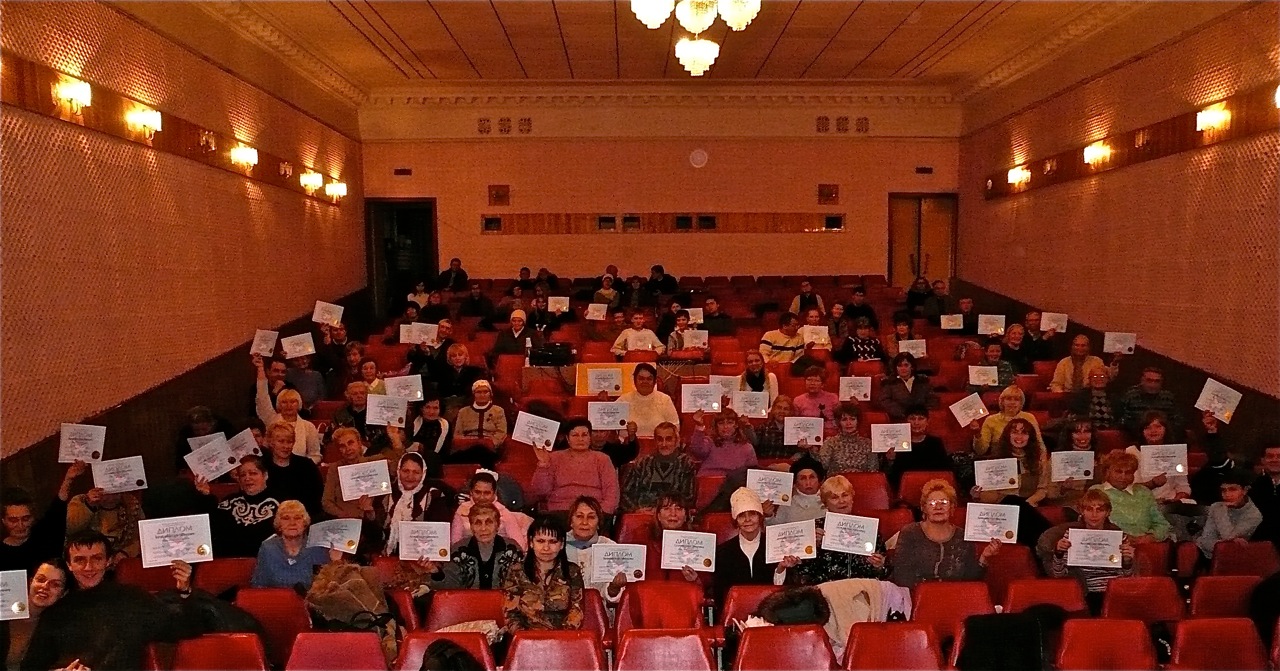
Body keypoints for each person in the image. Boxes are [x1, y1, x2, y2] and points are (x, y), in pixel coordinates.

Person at [22, 531, 204, 671]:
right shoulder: (57, 612)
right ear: (69, 565)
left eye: (96, 558)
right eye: (79, 560)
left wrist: (185, 590)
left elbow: (185, 628)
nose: (88, 567)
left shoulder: (134, 598)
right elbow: (31, 667)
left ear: (108, 561)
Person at [1036, 489, 1136, 614]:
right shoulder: (1071, 536)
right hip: (1085, 590)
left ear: (1107, 512)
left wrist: (1128, 562)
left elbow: (1129, 578)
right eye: (1089, 509)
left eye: (1099, 510)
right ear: (1082, 511)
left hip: (1114, 590)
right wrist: (1058, 553)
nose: (1094, 515)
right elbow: (1059, 574)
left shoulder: (1119, 537)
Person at [890, 479, 1001, 589]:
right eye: (932, 503)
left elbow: (969, 580)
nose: (938, 507)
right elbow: (902, 577)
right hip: (917, 599)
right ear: (924, 508)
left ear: (952, 507)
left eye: (944, 502)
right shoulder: (910, 532)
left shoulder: (962, 536)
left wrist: (984, 557)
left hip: (955, 597)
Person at [395, 503, 524, 596]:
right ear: (471, 527)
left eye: (489, 522)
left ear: (497, 525)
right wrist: (435, 571)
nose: (483, 528)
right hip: (466, 609)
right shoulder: (459, 550)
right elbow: (450, 588)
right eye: (477, 523)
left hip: (504, 609)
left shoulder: (512, 549)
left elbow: (521, 586)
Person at [791, 475, 889, 585]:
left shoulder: (868, 527)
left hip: (862, 588)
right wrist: (813, 547)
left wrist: (879, 566)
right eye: (834, 497)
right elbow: (801, 573)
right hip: (825, 590)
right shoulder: (815, 528)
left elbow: (884, 573)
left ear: (852, 498)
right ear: (825, 502)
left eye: (845, 495)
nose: (841, 501)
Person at [971, 419, 1053, 546]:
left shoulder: (1039, 461)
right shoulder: (995, 461)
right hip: (1003, 509)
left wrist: (1028, 503)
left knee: (1019, 506)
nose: (1019, 437)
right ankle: (1050, 537)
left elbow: (1043, 489)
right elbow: (989, 496)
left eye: (1024, 433)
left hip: (1027, 506)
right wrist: (978, 494)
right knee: (1013, 500)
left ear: (1030, 437)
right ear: (1007, 435)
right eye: (1014, 432)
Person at [500, 516, 584, 632]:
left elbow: (576, 610)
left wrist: (563, 637)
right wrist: (524, 637)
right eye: (540, 541)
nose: (546, 548)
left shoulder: (572, 571)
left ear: (562, 544)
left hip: (563, 639)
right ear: (531, 542)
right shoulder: (516, 571)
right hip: (525, 639)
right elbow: (510, 613)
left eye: (553, 542)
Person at [713, 488, 796, 602]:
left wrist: (781, 569)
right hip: (736, 611)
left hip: (771, 609)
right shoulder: (722, 552)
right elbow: (720, 593)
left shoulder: (777, 546)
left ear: (760, 517)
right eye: (742, 516)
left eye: (752, 514)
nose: (747, 520)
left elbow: (784, 591)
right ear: (736, 520)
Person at [1, 461, 84, 574]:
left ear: (33, 518)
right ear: (3, 521)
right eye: (13, 520)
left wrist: (68, 479)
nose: (20, 525)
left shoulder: (45, 537)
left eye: (25, 519)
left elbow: (57, 509)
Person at [194, 456, 281, 558]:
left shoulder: (280, 505)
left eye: (253, 473)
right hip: (228, 562)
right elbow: (212, 528)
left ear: (265, 475)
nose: (247, 478)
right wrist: (206, 496)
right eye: (242, 475)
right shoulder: (229, 502)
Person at [532, 419, 620, 515]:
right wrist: (543, 464)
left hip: (593, 513)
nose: (580, 439)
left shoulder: (603, 459)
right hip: (560, 512)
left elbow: (612, 492)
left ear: (590, 438)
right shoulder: (554, 458)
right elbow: (541, 492)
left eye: (584, 435)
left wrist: (601, 513)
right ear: (567, 438)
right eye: (575, 435)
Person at [376, 453, 455, 557]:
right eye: (405, 471)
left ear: (423, 474)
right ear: (398, 471)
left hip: (422, 556)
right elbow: (375, 534)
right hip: (385, 553)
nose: (410, 476)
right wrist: (371, 516)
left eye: (416, 472)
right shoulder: (386, 494)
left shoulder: (435, 496)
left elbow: (438, 533)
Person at [320, 426, 407, 520]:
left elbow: (398, 467)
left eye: (350, 443)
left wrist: (396, 441)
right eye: (342, 446)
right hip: (344, 520)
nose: (348, 448)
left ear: (359, 443)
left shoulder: (374, 462)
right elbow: (326, 502)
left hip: (373, 520)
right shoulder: (334, 469)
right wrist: (343, 515)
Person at [250, 501, 337, 590]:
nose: (292, 523)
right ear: (279, 524)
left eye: (297, 518)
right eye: (286, 518)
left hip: (309, 601)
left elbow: (326, 585)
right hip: (275, 601)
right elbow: (258, 584)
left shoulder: (317, 547)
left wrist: (335, 561)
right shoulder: (268, 548)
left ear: (305, 523)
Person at [1090, 451, 1170, 543]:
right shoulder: (1097, 491)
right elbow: (1092, 523)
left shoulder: (1143, 492)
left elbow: (1162, 524)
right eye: (1118, 471)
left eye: (1128, 472)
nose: (1123, 476)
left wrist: (1149, 538)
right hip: (1110, 542)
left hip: (1144, 543)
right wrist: (1123, 538)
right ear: (1108, 472)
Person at [2, 560, 67, 671]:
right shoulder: (3, 608)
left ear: (63, 593)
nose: (45, 586)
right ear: (30, 582)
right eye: (40, 580)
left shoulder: (57, 627)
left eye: (55, 584)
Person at [254, 356, 321, 463]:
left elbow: (315, 455)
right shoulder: (271, 420)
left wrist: (303, 466)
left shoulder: (308, 427)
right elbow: (262, 397)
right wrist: (260, 369)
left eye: (293, 401)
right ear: (279, 405)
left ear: (298, 404)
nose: (288, 405)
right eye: (284, 402)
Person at [620, 422, 697, 513]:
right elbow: (626, 494)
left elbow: (688, 497)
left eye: (668, 439)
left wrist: (666, 511)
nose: (664, 444)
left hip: (672, 515)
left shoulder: (686, 464)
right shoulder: (642, 463)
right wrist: (637, 510)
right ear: (655, 441)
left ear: (676, 441)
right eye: (660, 439)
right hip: (643, 514)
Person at [562, 497, 626, 603]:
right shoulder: (558, 545)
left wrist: (614, 588)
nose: (585, 522)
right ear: (571, 522)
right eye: (579, 516)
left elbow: (613, 596)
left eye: (591, 517)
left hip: (598, 611)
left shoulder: (609, 547)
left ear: (598, 523)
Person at [452, 471, 532, 550]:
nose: (482, 497)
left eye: (486, 493)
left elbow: (519, 545)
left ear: (494, 493)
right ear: (471, 492)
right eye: (477, 492)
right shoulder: (462, 510)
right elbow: (455, 543)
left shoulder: (504, 513)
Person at [1195, 469, 1262, 559]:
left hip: (1236, 558)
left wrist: (1223, 510)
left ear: (1245, 490)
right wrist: (1221, 544)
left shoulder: (1254, 515)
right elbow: (1206, 540)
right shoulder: (1216, 507)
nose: (1227, 494)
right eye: (1223, 490)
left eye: (1232, 489)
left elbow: (1228, 536)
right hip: (1208, 553)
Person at [884, 405, 953, 490]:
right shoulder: (897, 443)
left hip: (932, 489)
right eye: (912, 419)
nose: (916, 423)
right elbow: (891, 477)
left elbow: (945, 472)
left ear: (927, 421)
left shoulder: (936, 443)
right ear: (906, 421)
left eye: (920, 419)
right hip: (905, 490)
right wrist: (890, 460)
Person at [973, 386, 1045, 457]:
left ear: (1021, 403)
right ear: (1002, 401)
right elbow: (981, 451)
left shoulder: (1029, 417)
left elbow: (1040, 445)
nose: (1012, 402)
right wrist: (977, 433)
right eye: (1008, 399)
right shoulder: (991, 420)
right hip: (1001, 461)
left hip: (1027, 460)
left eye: (1016, 399)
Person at [451, 380, 507, 469]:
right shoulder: (463, 412)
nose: (482, 395)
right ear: (474, 394)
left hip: (489, 449)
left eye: (485, 392)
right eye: (479, 392)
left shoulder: (498, 411)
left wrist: (491, 443)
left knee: (482, 451)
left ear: (490, 394)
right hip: (467, 448)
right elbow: (458, 434)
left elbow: (501, 433)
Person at [811, 402, 877, 475]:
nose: (848, 423)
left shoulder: (868, 443)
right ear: (838, 422)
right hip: (836, 484)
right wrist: (812, 450)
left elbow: (873, 471)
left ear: (858, 421)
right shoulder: (830, 442)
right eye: (844, 419)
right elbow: (823, 466)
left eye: (852, 419)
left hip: (862, 484)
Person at [1116, 367, 1182, 439]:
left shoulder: (1168, 398)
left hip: (1164, 438)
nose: (1152, 385)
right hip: (1134, 437)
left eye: (1157, 381)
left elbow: (1176, 421)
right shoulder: (1130, 396)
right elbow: (1121, 420)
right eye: (1149, 380)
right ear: (1142, 380)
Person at [615, 364, 679, 438]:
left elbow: (675, 426)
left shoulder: (665, 399)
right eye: (641, 378)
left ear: (655, 382)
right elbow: (614, 428)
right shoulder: (623, 400)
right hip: (628, 446)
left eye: (649, 379)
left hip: (659, 446)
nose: (645, 382)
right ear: (634, 381)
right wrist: (629, 434)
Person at [689, 409, 758, 477]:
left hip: (734, 484)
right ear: (716, 426)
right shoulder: (709, 442)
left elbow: (752, 473)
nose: (725, 427)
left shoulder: (746, 447)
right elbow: (696, 451)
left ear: (736, 425)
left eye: (730, 423)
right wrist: (699, 426)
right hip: (708, 482)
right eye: (721, 423)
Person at [1051, 418, 1100, 512]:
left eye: (1086, 431)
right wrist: (1063, 489)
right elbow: (1049, 493)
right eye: (1077, 432)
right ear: (1070, 435)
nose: (1082, 436)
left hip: (1097, 507)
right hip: (1069, 507)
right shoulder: (1058, 459)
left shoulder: (1102, 458)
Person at [768, 456, 826, 526]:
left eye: (812, 477)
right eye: (803, 478)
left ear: (819, 480)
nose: (808, 482)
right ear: (796, 483)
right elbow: (775, 529)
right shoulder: (788, 504)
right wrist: (768, 516)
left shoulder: (829, 499)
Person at [878, 353, 936, 421]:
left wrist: (920, 414)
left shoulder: (923, 381)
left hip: (921, 418)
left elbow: (932, 399)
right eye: (899, 366)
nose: (903, 368)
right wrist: (904, 414)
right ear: (895, 367)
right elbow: (884, 401)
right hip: (898, 419)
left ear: (912, 367)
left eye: (906, 365)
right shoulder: (888, 383)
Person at [432, 344, 486, 414]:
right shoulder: (443, 373)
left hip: (467, 404)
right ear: (450, 358)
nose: (457, 358)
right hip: (448, 405)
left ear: (465, 356)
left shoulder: (475, 371)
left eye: (460, 355)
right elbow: (441, 393)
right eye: (454, 356)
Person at [1248, 445, 1280, 546]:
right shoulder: (1252, 486)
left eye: (1279, 456)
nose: (1274, 460)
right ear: (1263, 460)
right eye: (1270, 456)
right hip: (1259, 543)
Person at [792, 366, 839, 433]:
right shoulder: (798, 400)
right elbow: (795, 423)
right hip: (807, 434)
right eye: (809, 380)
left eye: (816, 381)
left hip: (830, 434)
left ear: (823, 384)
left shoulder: (833, 398)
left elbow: (840, 419)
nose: (812, 383)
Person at [752, 395, 796, 460]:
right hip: (765, 466)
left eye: (786, 409)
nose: (782, 411)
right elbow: (754, 447)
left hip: (786, 466)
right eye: (779, 408)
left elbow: (800, 451)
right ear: (773, 409)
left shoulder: (795, 430)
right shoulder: (762, 427)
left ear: (790, 412)